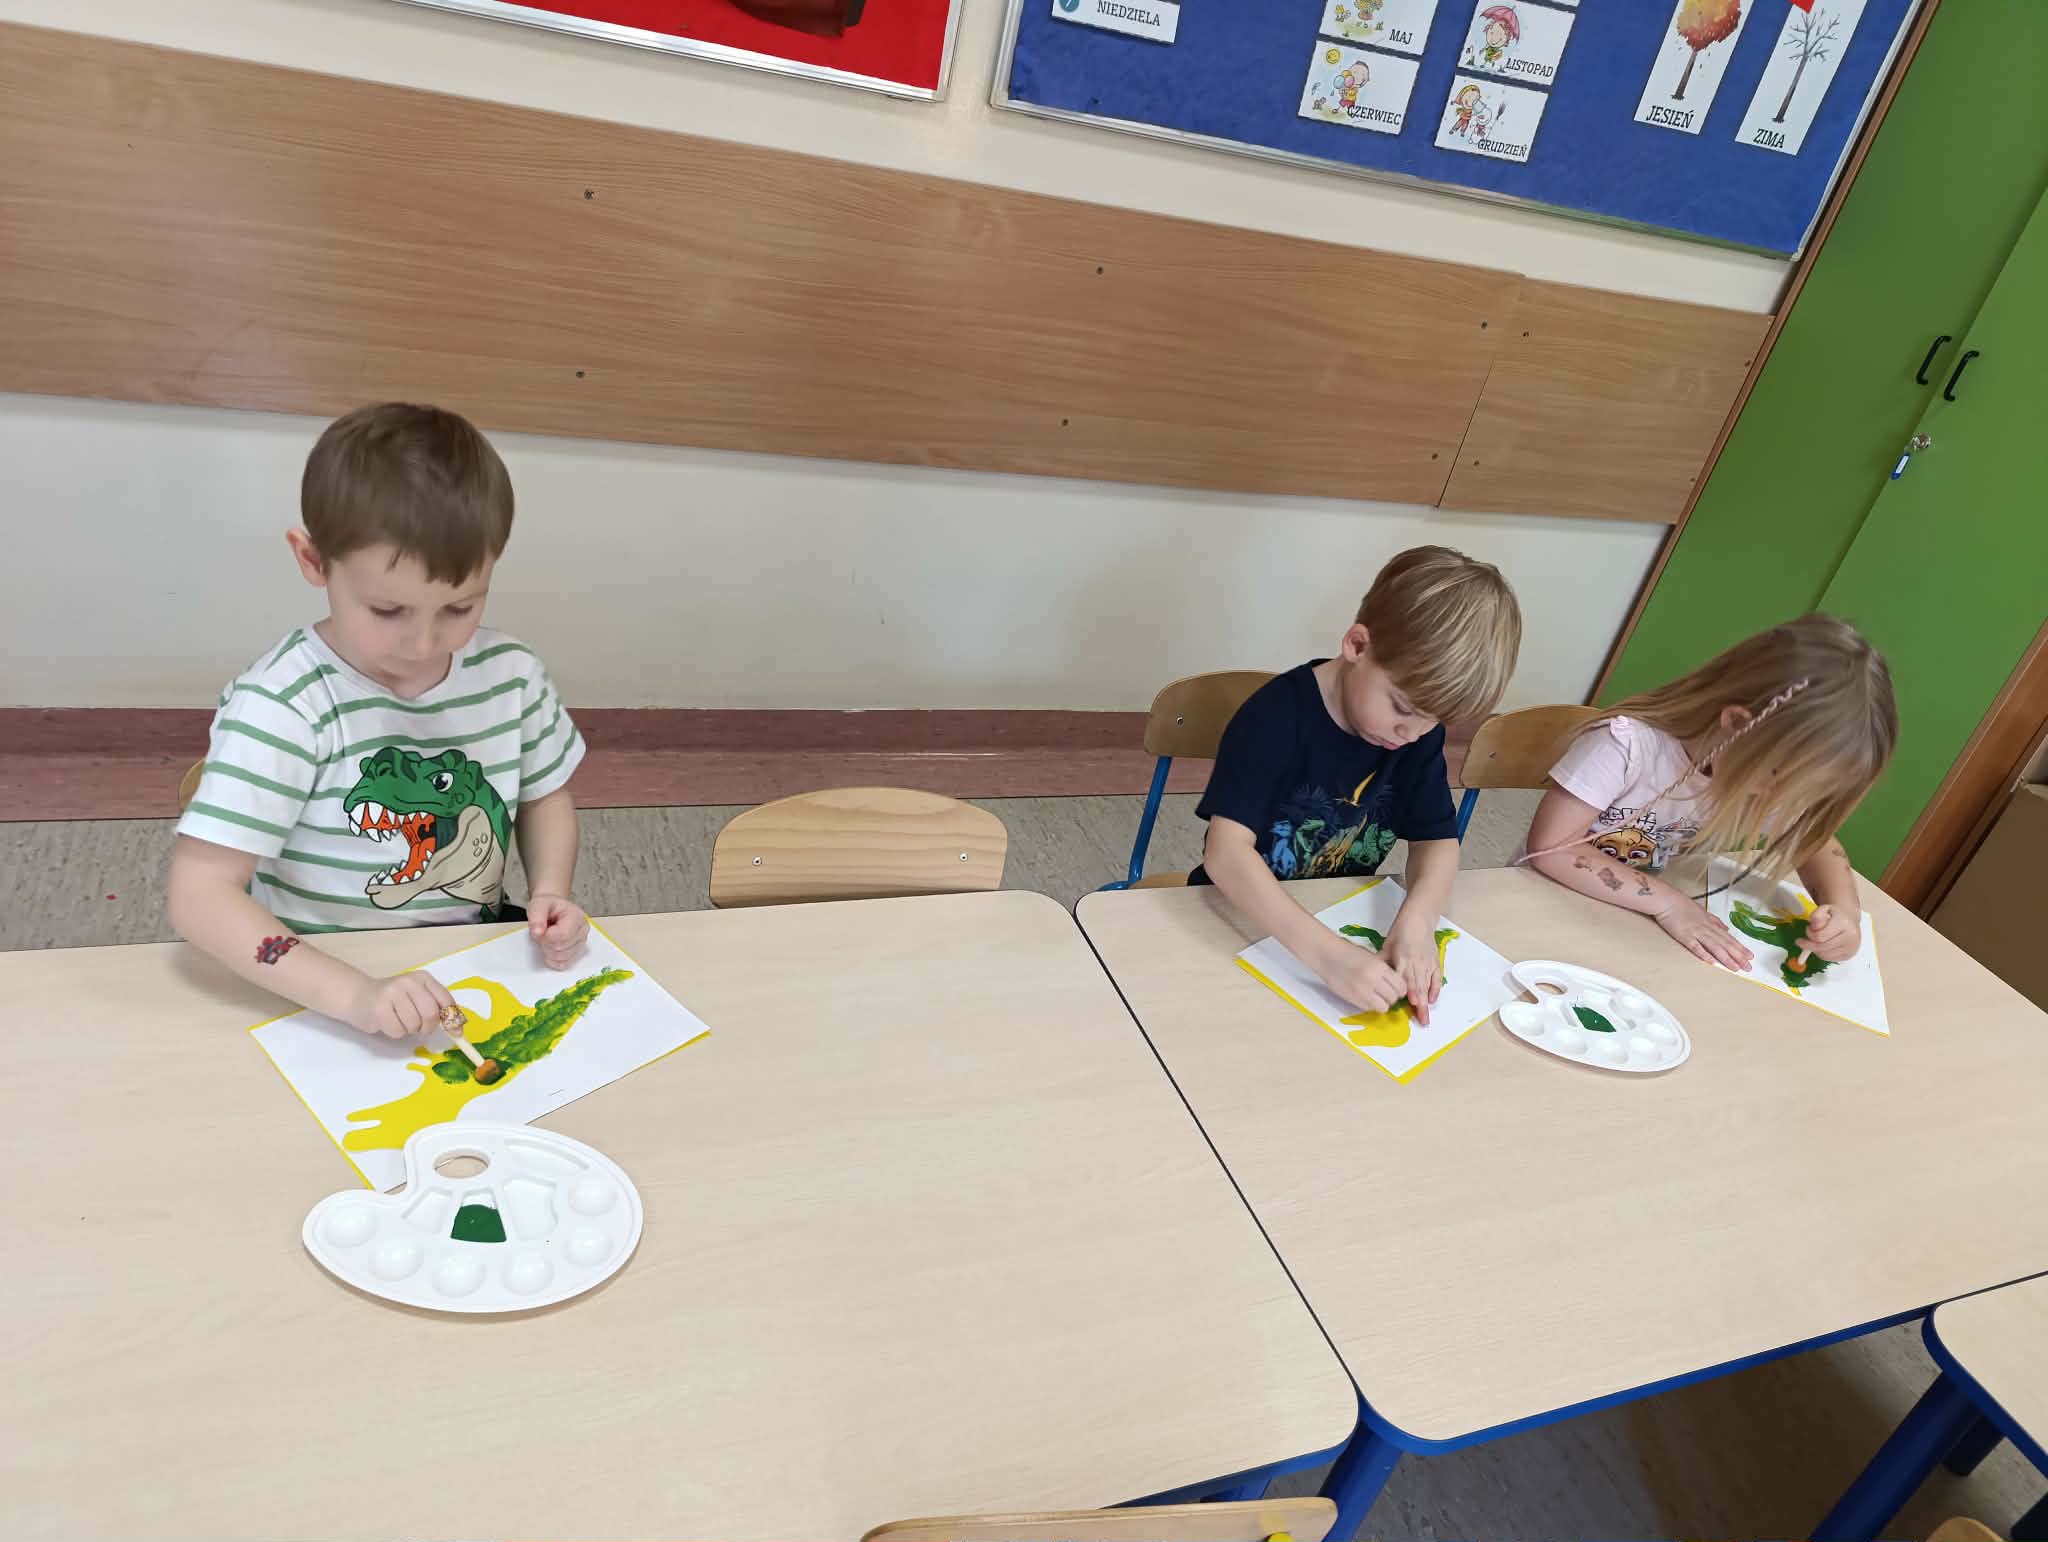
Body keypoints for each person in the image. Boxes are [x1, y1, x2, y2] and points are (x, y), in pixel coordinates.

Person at [167, 403, 589, 1040]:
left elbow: (544, 795)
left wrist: (551, 889)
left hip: (470, 955)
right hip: (317, 976)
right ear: (314, 561)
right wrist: (353, 995)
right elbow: (200, 896)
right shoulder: (284, 705)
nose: (423, 645)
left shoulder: (513, 675)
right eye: (389, 611)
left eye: (460, 607)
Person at [1194, 546, 1523, 1024]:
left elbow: (1437, 841)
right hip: (1239, 914)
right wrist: (1330, 957)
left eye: (1434, 721)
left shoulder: (1413, 736)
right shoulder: (1274, 718)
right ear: (1357, 645)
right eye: (1403, 708)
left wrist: (1417, 924)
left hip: (1333, 909)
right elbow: (1226, 854)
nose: (1411, 733)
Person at [1522, 614, 1898, 970]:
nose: (1785, 801)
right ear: (1736, 724)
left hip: (1623, 924)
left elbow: (1813, 840)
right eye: (1783, 780)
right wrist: (1669, 904)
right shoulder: (1625, 746)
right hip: (1538, 905)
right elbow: (1553, 849)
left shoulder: (1750, 773)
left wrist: (1844, 911)